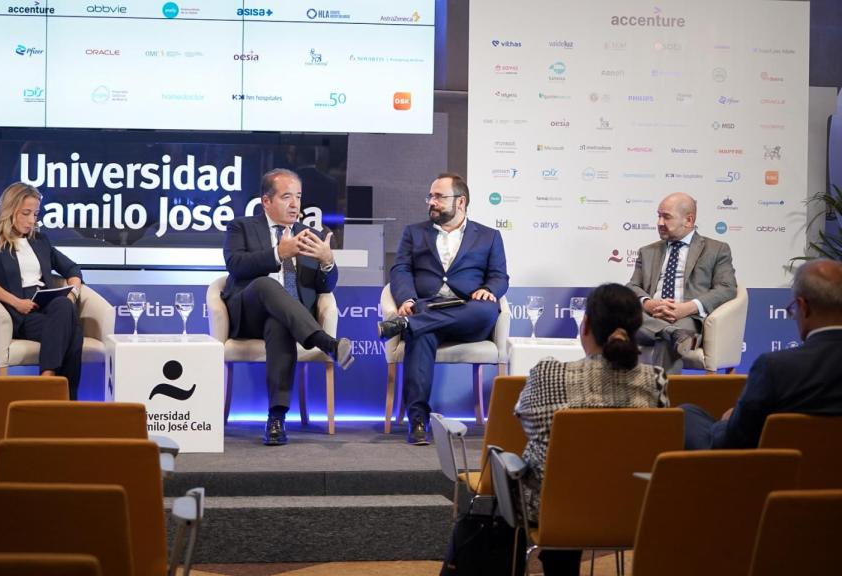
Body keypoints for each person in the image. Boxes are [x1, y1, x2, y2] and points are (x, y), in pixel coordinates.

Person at [515, 283, 668, 574]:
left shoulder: (549, 373)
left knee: (527, 470)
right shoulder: (655, 379)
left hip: (554, 511)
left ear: (584, 326)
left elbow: (523, 419)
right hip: (632, 508)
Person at [221, 168, 354, 446]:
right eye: (286, 197)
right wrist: (278, 253)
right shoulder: (241, 227)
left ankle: (277, 418)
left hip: (289, 321)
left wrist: (328, 261)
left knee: (279, 322)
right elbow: (235, 265)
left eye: (298, 197)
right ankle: (326, 342)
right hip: (248, 313)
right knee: (266, 285)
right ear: (266, 201)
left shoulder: (312, 234)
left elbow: (325, 287)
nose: (295, 204)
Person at [377, 173, 509, 445]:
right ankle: (418, 420)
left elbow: (499, 276)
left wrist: (491, 290)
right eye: (431, 196)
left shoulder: (489, 236)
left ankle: (409, 323)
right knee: (420, 333)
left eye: (439, 196)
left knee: (486, 310)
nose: (432, 202)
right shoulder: (414, 232)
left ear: (460, 202)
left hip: (470, 312)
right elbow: (401, 269)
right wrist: (408, 300)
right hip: (427, 307)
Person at [683, 259, 842, 449]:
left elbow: (734, 443)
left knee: (686, 414)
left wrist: (725, 422)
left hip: (777, 473)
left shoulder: (775, 367)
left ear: (803, 307)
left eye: (793, 309)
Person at [0, 182, 85, 399]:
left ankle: (47, 380)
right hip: (21, 314)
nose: (32, 220)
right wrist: (15, 302)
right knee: (74, 333)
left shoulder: (40, 241)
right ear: (10, 210)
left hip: (50, 309)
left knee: (63, 304)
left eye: (36, 214)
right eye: (26, 213)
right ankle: (66, 401)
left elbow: (72, 269)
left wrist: (72, 294)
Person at [626, 192, 738, 373]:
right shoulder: (647, 251)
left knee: (668, 340)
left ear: (688, 220)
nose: (659, 223)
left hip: (687, 319)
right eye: (658, 215)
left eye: (666, 217)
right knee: (623, 322)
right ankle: (670, 332)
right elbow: (632, 286)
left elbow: (727, 288)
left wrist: (686, 308)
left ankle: (663, 399)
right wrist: (648, 303)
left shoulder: (716, 249)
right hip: (649, 317)